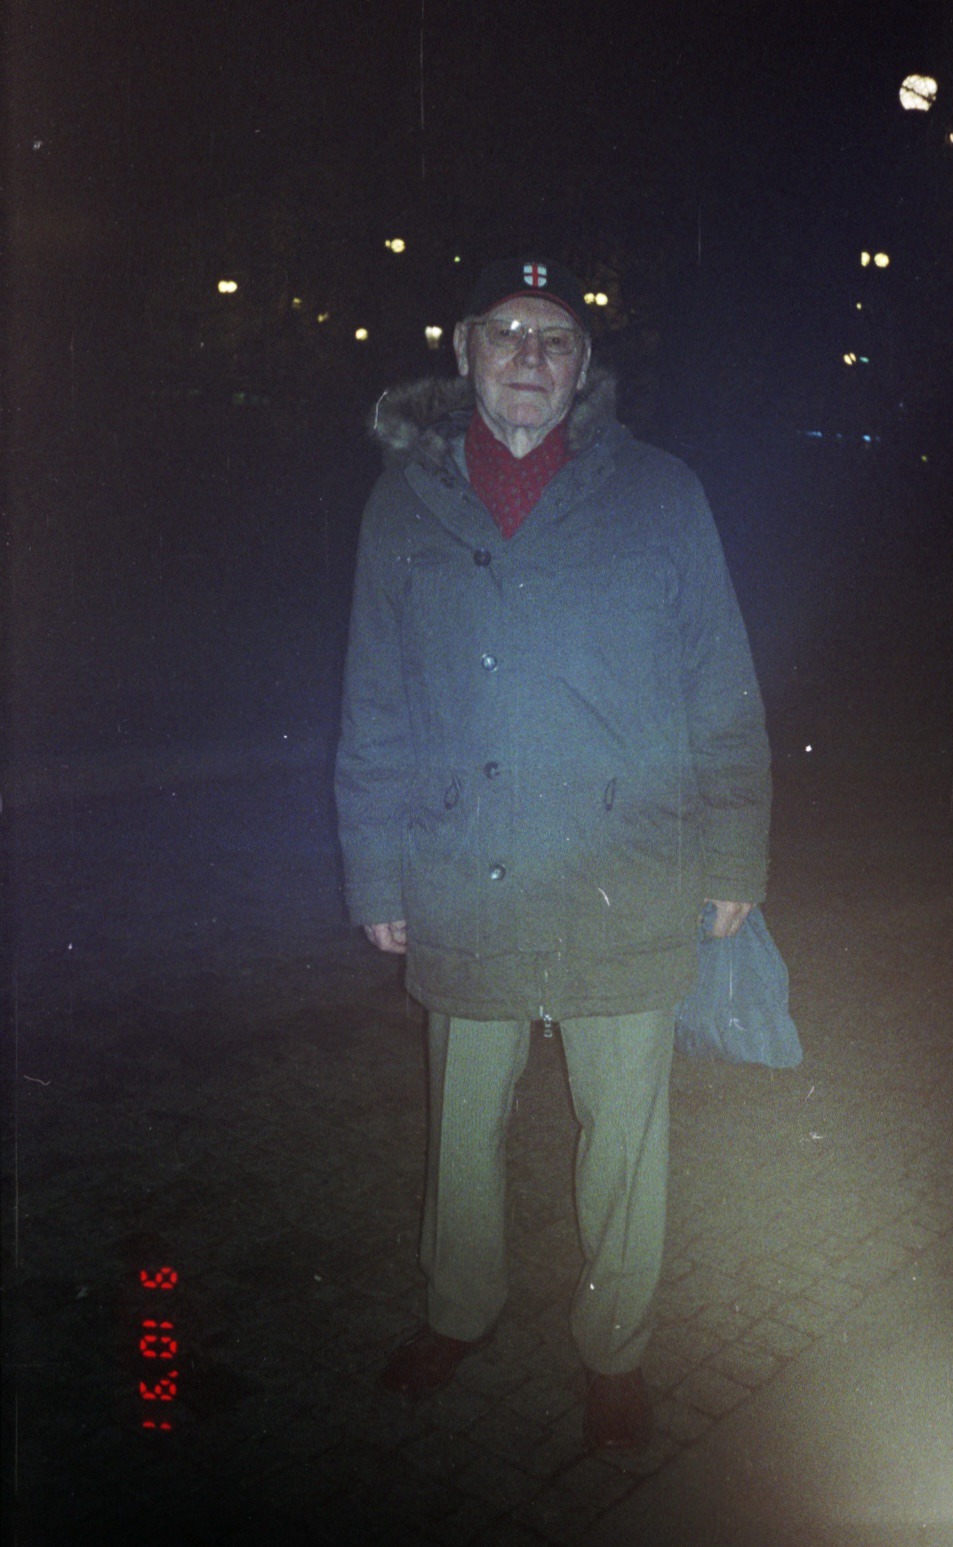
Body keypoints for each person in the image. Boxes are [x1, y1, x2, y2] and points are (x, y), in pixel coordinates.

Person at [335, 257, 771, 1450]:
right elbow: (371, 703)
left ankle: (614, 1347)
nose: (531, 354)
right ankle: (458, 1309)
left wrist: (734, 855)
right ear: (465, 350)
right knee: (458, 1122)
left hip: (622, 865)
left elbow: (720, 688)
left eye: (557, 338)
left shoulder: (661, 492)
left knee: (623, 1128)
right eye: (508, 333)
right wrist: (373, 870)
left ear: (584, 370)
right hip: (459, 864)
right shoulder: (402, 504)